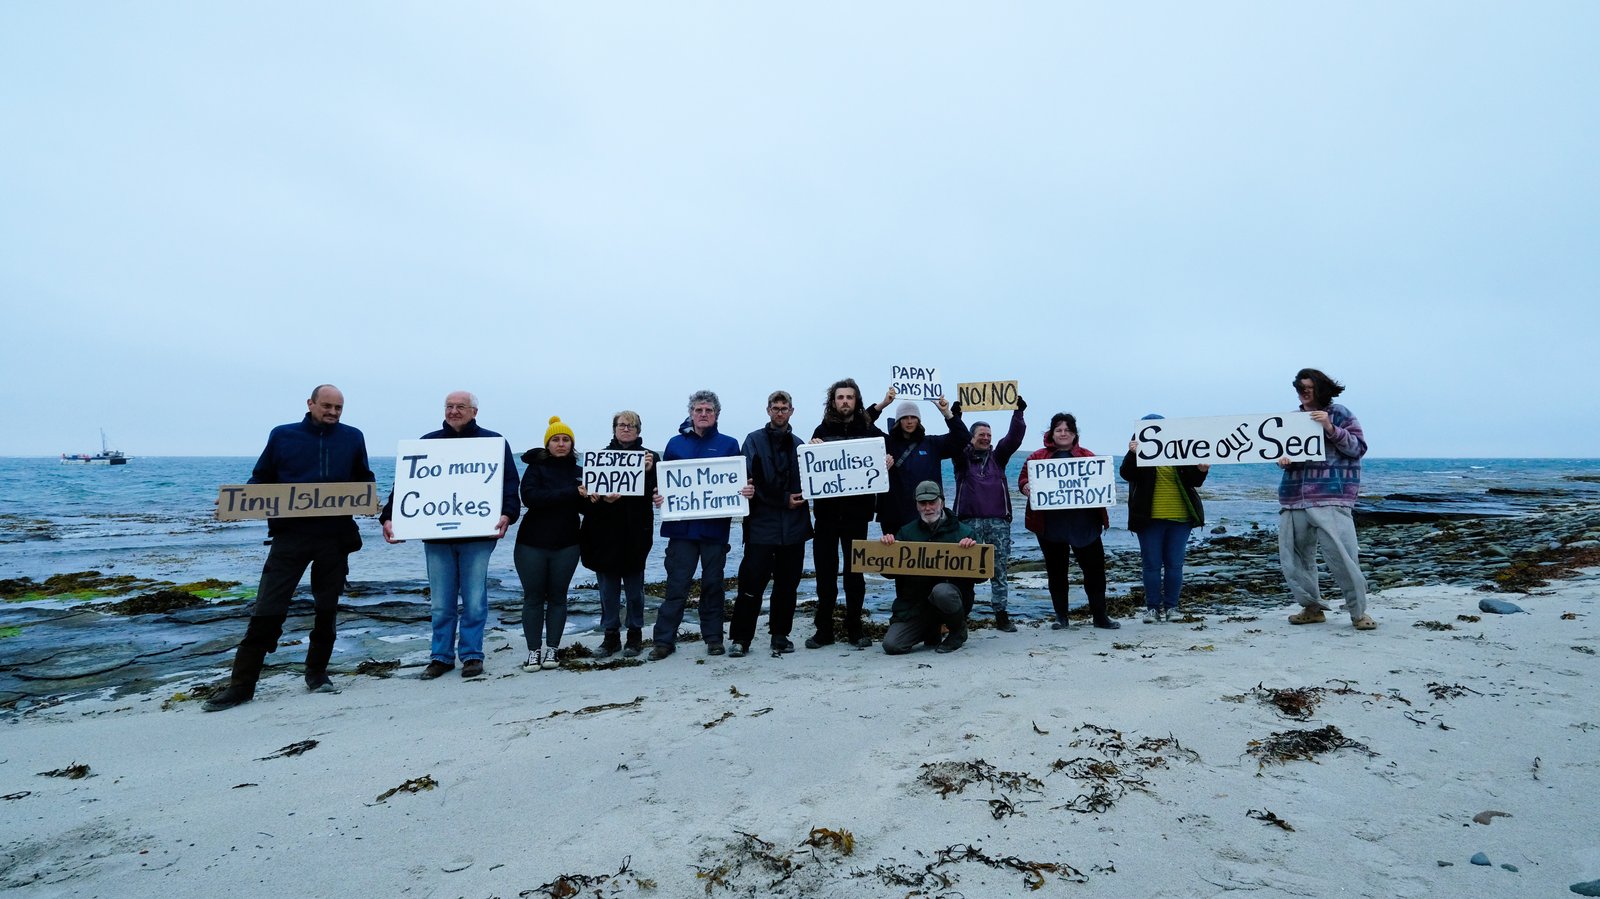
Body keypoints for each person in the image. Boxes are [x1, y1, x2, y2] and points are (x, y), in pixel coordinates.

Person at [203, 385, 375, 712]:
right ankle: (241, 686)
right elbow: (261, 478)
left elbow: (363, 478)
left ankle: (317, 674)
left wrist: (371, 501)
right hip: (289, 536)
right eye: (327, 406)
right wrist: (237, 502)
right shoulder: (283, 435)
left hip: (335, 537)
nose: (333, 412)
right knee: (267, 607)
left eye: (338, 408)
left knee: (326, 609)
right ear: (310, 404)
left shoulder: (353, 437)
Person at [380, 391, 520, 680]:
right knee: (441, 602)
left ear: (474, 411)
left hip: (478, 536)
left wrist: (508, 513)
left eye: (460, 407)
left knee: (474, 600)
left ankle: (472, 655)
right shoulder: (427, 443)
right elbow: (405, 484)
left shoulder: (493, 442)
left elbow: (509, 483)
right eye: (449, 406)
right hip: (437, 538)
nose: (454, 411)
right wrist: (389, 517)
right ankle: (440, 657)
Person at [649, 391, 754, 660]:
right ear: (691, 413)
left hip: (714, 530)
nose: (703, 414)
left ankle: (714, 638)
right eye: (698, 410)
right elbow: (665, 483)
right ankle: (663, 641)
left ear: (716, 414)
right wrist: (659, 496)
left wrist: (747, 490)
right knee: (676, 587)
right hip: (681, 531)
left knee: (713, 586)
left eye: (708, 410)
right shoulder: (675, 444)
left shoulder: (729, 444)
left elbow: (739, 481)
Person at [1279, 369, 1373, 630]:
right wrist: (1283, 460)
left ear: (1321, 389)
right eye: (1301, 388)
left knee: (1343, 557)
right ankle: (1312, 608)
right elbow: (1284, 453)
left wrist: (1330, 427)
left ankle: (1358, 612)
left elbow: (1358, 449)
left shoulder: (1341, 413)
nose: (1304, 392)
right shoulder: (1292, 419)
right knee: (1295, 559)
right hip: (1293, 498)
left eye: (1309, 388)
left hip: (1332, 496)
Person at [806, 378, 894, 649]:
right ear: (833, 402)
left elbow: (889, 448)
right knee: (825, 574)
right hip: (826, 516)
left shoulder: (868, 429)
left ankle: (855, 628)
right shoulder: (822, 429)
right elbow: (810, 467)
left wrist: (887, 459)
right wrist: (811, 449)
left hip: (857, 515)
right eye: (840, 397)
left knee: (855, 575)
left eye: (849, 397)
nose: (845, 401)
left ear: (856, 401)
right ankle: (824, 630)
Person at [728, 391, 812, 657]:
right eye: (775, 408)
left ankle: (780, 635)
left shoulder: (800, 446)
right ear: (768, 410)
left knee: (787, 587)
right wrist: (783, 499)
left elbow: (810, 483)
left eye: (784, 408)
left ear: (791, 411)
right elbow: (750, 481)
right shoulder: (753, 441)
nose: (779, 412)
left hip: (794, 529)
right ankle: (741, 638)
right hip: (761, 528)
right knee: (750, 586)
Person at [1019, 412, 1119, 630]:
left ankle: (1100, 616)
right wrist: (1025, 486)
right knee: (1056, 573)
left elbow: (1100, 481)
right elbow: (1024, 479)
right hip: (1050, 526)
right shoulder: (1037, 457)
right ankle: (1061, 617)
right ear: (1052, 433)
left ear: (1074, 434)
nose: (1063, 433)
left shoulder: (1088, 456)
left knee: (1095, 572)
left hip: (1085, 525)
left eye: (1067, 430)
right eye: (1059, 430)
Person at [578, 410, 658, 658]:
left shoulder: (651, 458)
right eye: (622, 425)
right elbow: (587, 505)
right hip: (604, 534)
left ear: (638, 430)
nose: (626, 429)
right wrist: (597, 498)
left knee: (635, 591)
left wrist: (649, 472)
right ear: (614, 429)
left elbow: (657, 495)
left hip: (636, 532)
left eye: (631, 425)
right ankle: (610, 635)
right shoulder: (599, 459)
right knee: (607, 590)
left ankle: (635, 634)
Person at [1120, 413, 1208, 624]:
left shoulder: (1179, 450)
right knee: (1151, 565)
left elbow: (1194, 481)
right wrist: (1132, 454)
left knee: (1174, 565)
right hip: (1148, 518)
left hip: (1181, 517)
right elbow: (1126, 474)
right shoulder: (1139, 453)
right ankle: (1152, 609)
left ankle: (1171, 608)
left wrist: (1202, 470)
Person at [515, 416, 586, 671]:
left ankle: (552, 650)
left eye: (566, 439)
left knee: (558, 597)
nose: (561, 443)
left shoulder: (580, 473)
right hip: (531, 543)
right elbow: (531, 498)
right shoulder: (535, 468)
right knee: (533, 598)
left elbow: (586, 508)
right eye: (556, 439)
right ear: (548, 444)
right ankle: (533, 651)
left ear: (572, 445)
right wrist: (571, 492)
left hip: (567, 543)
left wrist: (600, 499)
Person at [878, 481, 981, 654]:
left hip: (950, 601)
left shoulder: (964, 533)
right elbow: (888, 573)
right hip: (916, 606)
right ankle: (931, 630)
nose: (927, 508)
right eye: (922, 503)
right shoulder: (906, 532)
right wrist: (887, 549)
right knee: (892, 645)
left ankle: (958, 631)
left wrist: (971, 551)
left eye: (932, 502)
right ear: (916, 505)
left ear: (942, 502)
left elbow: (982, 576)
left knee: (942, 592)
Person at [952, 398, 1027, 632]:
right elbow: (956, 438)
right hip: (968, 523)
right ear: (971, 437)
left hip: (998, 522)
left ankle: (1001, 615)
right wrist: (956, 418)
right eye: (981, 435)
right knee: (965, 570)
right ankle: (961, 614)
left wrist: (1018, 413)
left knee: (999, 570)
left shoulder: (999, 457)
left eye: (989, 435)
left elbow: (1013, 439)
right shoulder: (961, 459)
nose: (985, 438)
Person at [879, 396, 969, 537]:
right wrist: (884, 403)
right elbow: (864, 425)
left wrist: (947, 413)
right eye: (905, 417)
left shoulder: (932, 444)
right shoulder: (886, 443)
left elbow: (963, 438)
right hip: (894, 516)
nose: (909, 421)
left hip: (927, 514)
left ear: (919, 420)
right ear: (898, 421)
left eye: (913, 417)